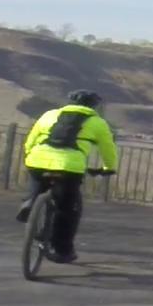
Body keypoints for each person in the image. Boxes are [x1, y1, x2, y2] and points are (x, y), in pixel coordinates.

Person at [16, 89, 118, 263]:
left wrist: (29, 155)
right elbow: (108, 149)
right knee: (67, 210)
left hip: (38, 160)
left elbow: (31, 140)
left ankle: (30, 201)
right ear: (94, 106)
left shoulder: (50, 115)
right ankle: (61, 249)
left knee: (36, 181)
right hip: (68, 167)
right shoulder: (98, 123)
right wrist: (108, 167)